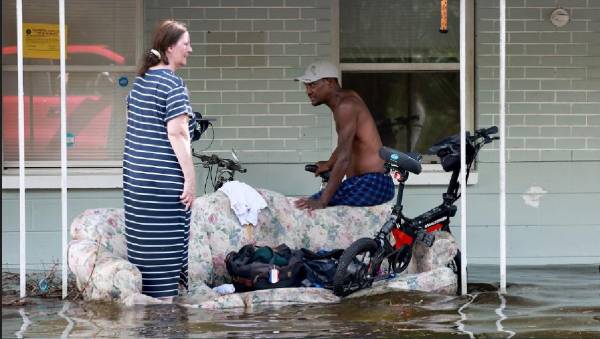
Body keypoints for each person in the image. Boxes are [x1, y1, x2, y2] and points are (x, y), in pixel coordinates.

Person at [123, 20, 196, 303]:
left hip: (136, 182)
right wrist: (190, 181)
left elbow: (134, 129)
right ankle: (164, 321)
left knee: (146, 255)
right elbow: (178, 133)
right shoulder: (172, 84)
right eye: (186, 43)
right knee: (166, 256)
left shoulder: (140, 84)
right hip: (163, 184)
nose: (190, 49)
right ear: (169, 48)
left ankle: (149, 323)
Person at [293, 60, 395, 210]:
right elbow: (347, 144)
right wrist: (328, 164)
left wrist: (322, 202)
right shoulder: (346, 99)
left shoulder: (345, 106)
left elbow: (344, 157)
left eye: (312, 84)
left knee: (303, 207)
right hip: (373, 183)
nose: (308, 91)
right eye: (306, 86)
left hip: (371, 183)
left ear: (330, 82)